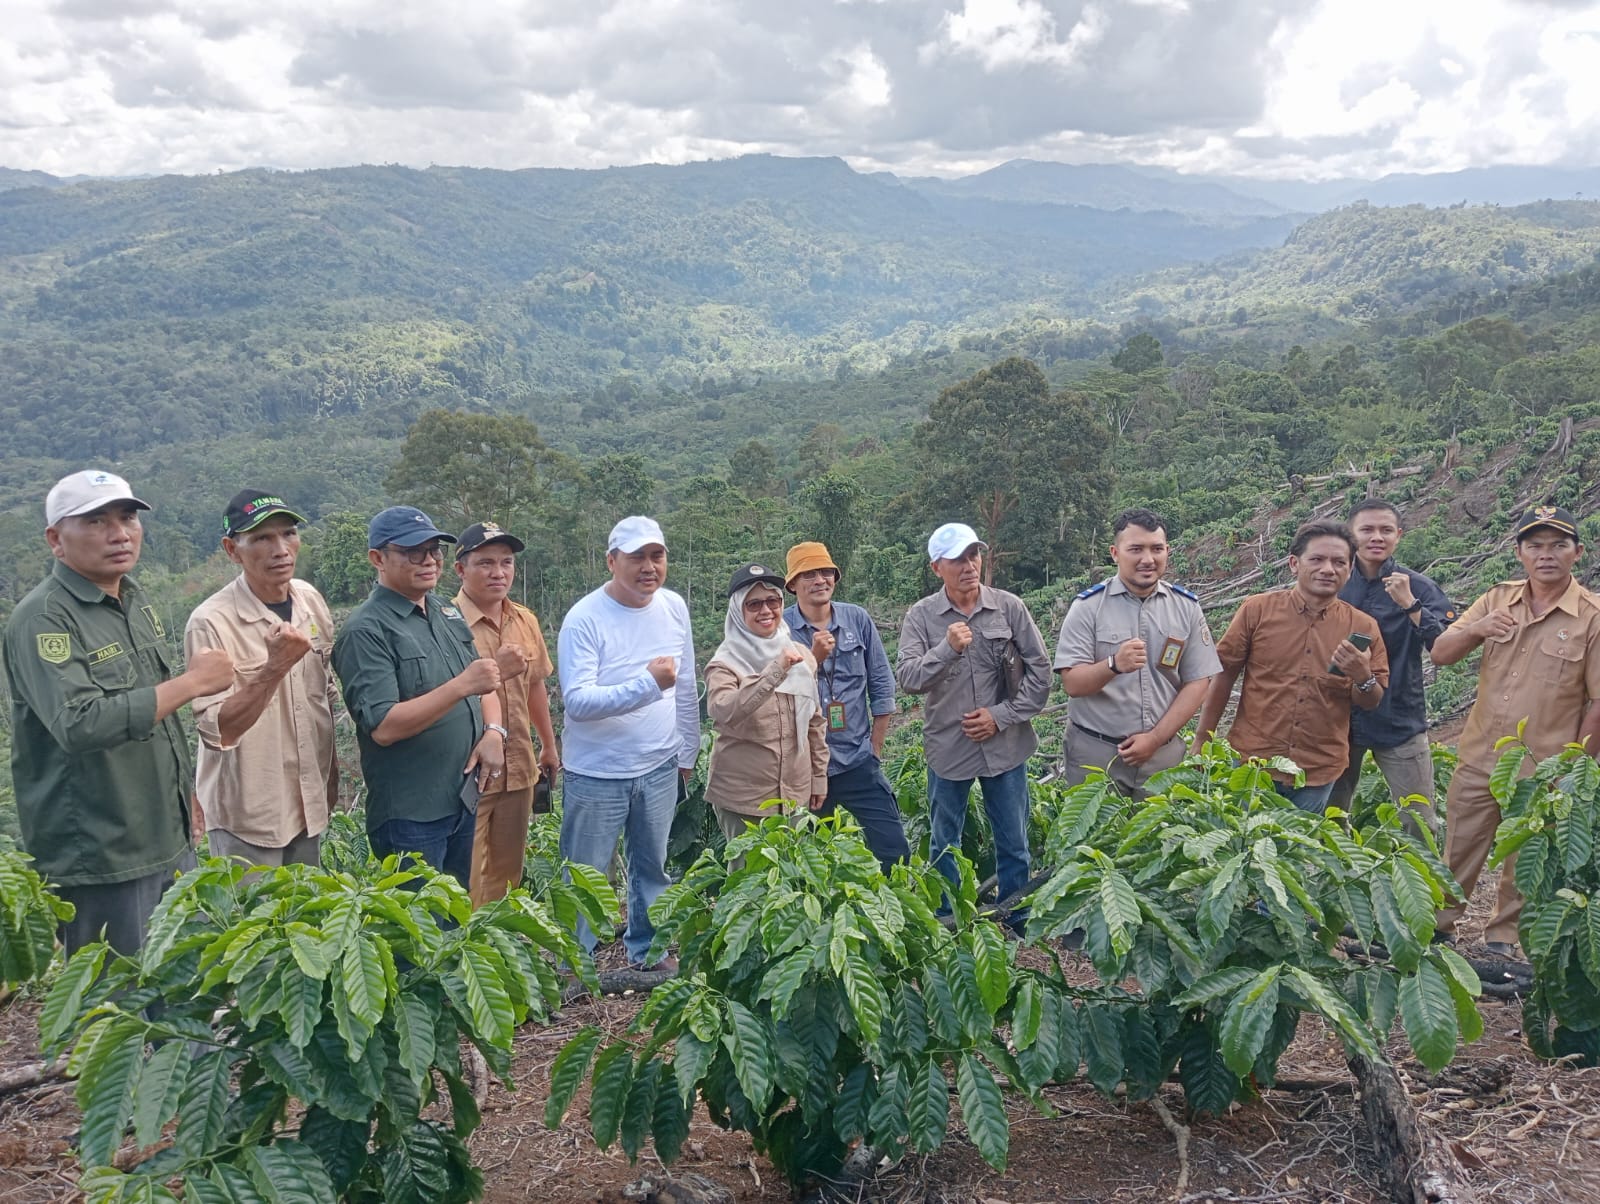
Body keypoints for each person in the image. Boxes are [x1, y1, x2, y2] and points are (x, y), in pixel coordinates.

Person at [4, 470, 234, 955]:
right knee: (119, 1007)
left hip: (164, 834)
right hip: (103, 850)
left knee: (182, 991)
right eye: (95, 521)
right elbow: (79, 722)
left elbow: (155, 712)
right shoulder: (43, 617)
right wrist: (193, 682)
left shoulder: (132, 598)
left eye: (128, 518)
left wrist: (183, 792)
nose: (119, 533)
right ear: (55, 539)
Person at [1430, 505, 1600, 958]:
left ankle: (1503, 939)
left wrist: (1576, 768)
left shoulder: (1592, 616)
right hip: (1480, 751)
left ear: (1577, 553)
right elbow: (1442, 654)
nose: (1547, 554)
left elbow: (1599, 701)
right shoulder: (1495, 599)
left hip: (1546, 765)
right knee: (1460, 845)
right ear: (1520, 553)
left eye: (1558, 545)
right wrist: (1479, 629)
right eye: (1535, 545)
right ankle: (1440, 925)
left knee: (1523, 859)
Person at [332, 506, 506, 886]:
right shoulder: (367, 630)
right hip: (412, 814)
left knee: (457, 918)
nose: (428, 560)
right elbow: (385, 727)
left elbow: (484, 683)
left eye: (434, 551)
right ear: (378, 558)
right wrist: (461, 686)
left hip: (460, 799)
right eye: (414, 552)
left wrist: (494, 732)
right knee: (422, 932)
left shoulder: (445, 611)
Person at [558, 516, 698, 972]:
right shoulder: (584, 619)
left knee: (652, 866)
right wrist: (647, 684)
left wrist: (688, 749)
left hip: (659, 763)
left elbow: (686, 681)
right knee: (585, 874)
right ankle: (573, 964)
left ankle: (648, 950)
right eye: (636, 556)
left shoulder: (674, 606)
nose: (648, 567)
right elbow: (577, 701)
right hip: (598, 772)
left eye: (656, 556)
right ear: (611, 561)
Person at [896, 522, 1051, 915]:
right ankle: (951, 918)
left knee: (1013, 837)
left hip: (1006, 744)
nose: (968, 565)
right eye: (957, 559)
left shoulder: (1009, 606)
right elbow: (909, 678)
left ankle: (1016, 916)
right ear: (936, 568)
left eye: (973, 555)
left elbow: (1041, 672)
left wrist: (1000, 716)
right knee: (945, 840)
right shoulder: (922, 617)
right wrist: (946, 649)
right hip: (949, 746)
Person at [185, 490, 339, 867]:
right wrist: (273, 668)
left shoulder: (309, 600)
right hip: (249, 815)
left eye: (288, 534)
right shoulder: (211, 622)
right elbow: (217, 729)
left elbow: (326, 693)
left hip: (309, 804)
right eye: (262, 539)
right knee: (255, 924)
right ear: (231, 550)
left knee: (308, 921)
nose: (281, 549)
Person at [1195, 519, 1390, 812]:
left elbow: (1371, 700)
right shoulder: (1257, 610)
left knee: (1294, 854)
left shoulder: (1363, 627)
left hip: (1318, 770)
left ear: (1350, 570)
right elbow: (1223, 676)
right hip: (1252, 763)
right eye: (1317, 559)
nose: (1328, 569)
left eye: (1339, 562)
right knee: (1241, 848)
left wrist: (1362, 676)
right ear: (1294, 564)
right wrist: (1202, 741)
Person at [1053, 508, 1221, 798]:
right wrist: (1113, 664)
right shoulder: (1088, 608)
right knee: (1093, 838)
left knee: (1160, 839)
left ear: (1167, 551)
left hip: (1163, 756)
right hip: (1096, 755)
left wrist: (1155, 739)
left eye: (1157, 549)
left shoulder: (1186, 607)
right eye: (1136, 549)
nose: (1148, 559)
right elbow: (1072, 683)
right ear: (1115, 553)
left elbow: (1198, 682)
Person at [1327, 499, 1456, 832]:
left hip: (1399, 716)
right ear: (1351, 535)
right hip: (1337, 719)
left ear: (1399, 535)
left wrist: (1410, 604)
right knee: (1330, 818)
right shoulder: (1333, 584)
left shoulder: (1419, 587)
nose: (1376, 537)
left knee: (1419, 823)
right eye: (1367, 529)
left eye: (1386, 530)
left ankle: (1422, 884)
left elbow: (1443, 645)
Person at [782, 541, 911, 870]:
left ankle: (893, 914)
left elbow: (882, 685)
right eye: (808, 574)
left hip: (857, 760)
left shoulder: (857, 619)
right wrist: (814, 657)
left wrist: (875, 749)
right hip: (806, 769)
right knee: (808, 859)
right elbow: (777, 699)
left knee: (893, 849)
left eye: (826, 572)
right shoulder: (781, 630)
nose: (819, 580)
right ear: (793, 584)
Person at [451, 521, 560, 907]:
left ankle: (502, 945)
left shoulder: (524, 620)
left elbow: (535, 686)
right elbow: (451, 697)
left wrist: (547, 745)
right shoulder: (447, 624)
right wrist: (496, 669)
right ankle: (469, 951)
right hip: (471, 772)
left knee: (508, 871)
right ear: (460, 569)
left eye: (506, 563)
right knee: (467, 873)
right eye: (485, 563)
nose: (498, 573)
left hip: (519, 767)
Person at [705, 563, 829, 844]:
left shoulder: (800, 654)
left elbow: (814, 723)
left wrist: (818, 777)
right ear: (739, 611)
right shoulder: (725, 663)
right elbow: (723, 711)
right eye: (754, 604)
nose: (766, 610)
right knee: (751, 880)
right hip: (744, 800)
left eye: (773, 601)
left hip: (794, 795)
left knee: (794, 879)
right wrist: (775, 670)